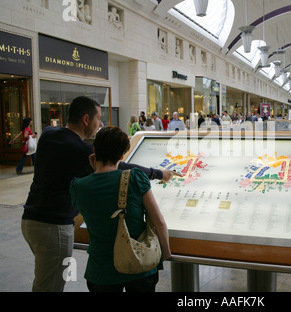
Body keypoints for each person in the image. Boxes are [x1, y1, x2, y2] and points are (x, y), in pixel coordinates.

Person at [21, 96, 181, 292]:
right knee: (50, 286)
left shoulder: (48, 134)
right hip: (53, 228)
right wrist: (159, 174)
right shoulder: (78, 149)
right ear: (86, 119)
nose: (100, 124)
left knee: (44, 280)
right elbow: (120, 165)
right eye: (98, 119)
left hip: (30, 221)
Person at [70, 126, 171, 292]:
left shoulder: (78, 186)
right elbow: (158, 221)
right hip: (140, 266)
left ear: (95, 150)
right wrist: (166, 253)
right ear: (122, 155)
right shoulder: (135, 178)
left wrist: (94, 170)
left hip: (101, 271)